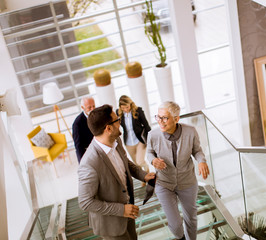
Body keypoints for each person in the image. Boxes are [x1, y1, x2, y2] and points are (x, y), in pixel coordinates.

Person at [78, 104, 155, 240]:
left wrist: (143, 175)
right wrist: (121, 210)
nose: (120, 123)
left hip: (128, 212)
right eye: (117, 120)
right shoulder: (89, 163)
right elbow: (85, 202)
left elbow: (125, 162)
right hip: (111, 225)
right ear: (108, 128)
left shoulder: (116, 139)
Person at [146, 101, 210, 240]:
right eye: (158, 117)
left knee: (191, 219)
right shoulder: (153, 135)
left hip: (187, 182)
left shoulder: (190, 131)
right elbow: (149, 153)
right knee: (175, 224)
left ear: (176, 119)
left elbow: (197, 150)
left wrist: (202, 162)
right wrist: (153, 160)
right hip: (164, 183)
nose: (160, 122)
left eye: (165, 118)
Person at [116, 95, 151, 184]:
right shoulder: (119, 113)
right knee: (136, 165)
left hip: (139, 140)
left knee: (140, 162)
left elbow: (146, 126)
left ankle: (147, 168)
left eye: (127, 107)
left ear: (130, 104)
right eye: (123, 108)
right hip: (128, 143)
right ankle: (144, 178)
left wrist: (150, 139)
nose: (126, 110)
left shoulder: (138, 111)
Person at [72, 97, 95, 163]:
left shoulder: (97, 114)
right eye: (89, 107)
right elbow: (78, 146)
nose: (92, 109)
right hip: (89, 153)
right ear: (82, 108)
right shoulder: (77, 124)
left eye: (93, 106)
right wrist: (82, 163)